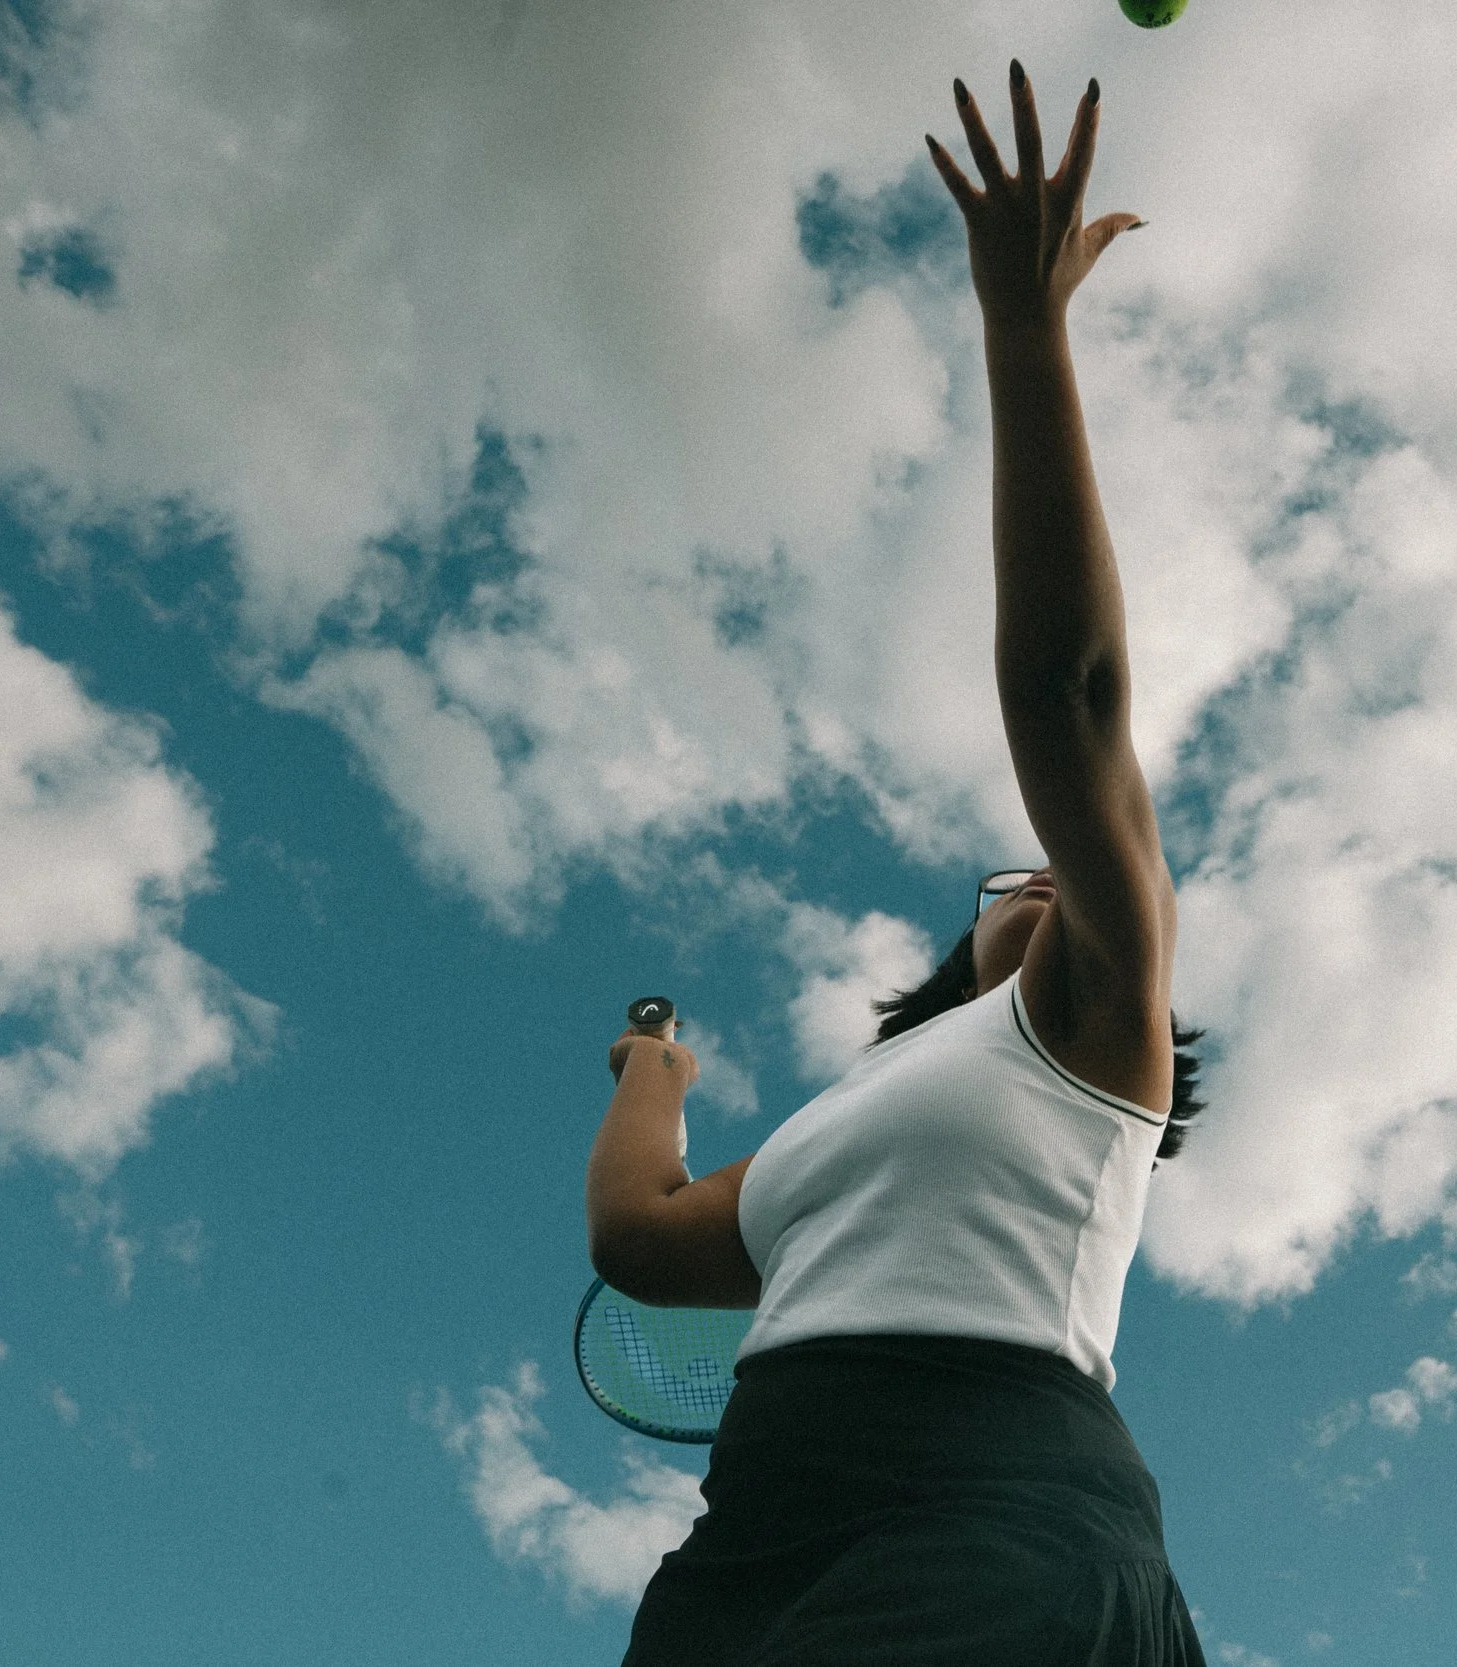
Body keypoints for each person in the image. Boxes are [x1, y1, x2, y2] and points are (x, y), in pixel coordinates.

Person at [586, 61, 1207, 1667]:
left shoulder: (1092, 1035)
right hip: (759, 1535)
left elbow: (1069, 693)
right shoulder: (830, 1139)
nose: (1057, 876)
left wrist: (1022, 327)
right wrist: (652, 1064)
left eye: (1070, 872)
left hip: (994, 1497)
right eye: (1027, 870)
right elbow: (640, 1234)